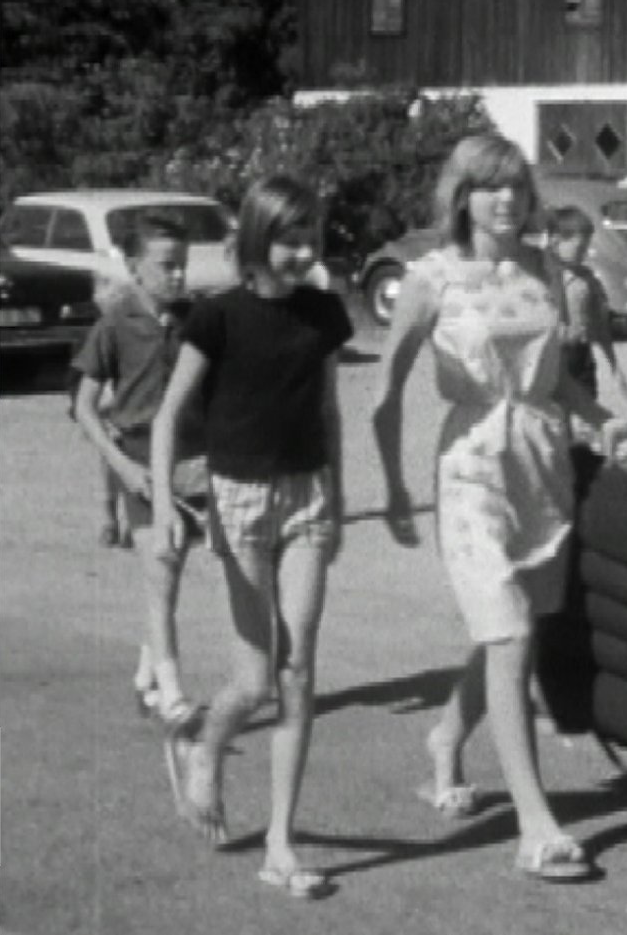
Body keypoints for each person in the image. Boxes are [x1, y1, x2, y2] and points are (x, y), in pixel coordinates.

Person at [374, 134, 616, 883]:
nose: (504, 200)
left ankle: (447, 736)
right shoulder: (429, 277)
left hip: (542, 461)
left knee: (518, 627)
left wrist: (612, 424)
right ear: (462, 197)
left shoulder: (547, 268)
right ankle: (536, 824)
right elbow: (384, 394)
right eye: (488, 187)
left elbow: (562, 384)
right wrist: (391, 489)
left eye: (514, 186)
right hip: (472, 464)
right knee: (508, 629)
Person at [150, 175, 353, 900]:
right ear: (259, 241)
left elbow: (328, 410)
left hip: (309, 497)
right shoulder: (218, 317)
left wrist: (341, 489)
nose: (303, 253)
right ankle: (202, 743)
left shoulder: (326, 314)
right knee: (255, 679)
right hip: (237, 502)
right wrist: (168, 505)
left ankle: (279, 843)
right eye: (291, 239)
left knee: (300, 676)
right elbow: (169, 416)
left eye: (312, 239)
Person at [70, 213, 211, 732]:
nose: (178, 276)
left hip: (197, 462)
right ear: (134, 267)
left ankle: (145, 676)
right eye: (166, 266)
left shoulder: (198, 319)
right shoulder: (114, 324)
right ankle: (172, 692)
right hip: (141, 462)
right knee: (162, 568)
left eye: (184, 265)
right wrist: (123, 469)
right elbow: (85, 407)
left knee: (169, 580)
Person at [545, 204, 627, 405]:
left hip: (580, 355)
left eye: (586, 248)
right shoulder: (540, 277)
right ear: (554, 241)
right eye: (578, 248)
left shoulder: (588, 281)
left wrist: (614, 365)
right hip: (550, 356)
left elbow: (600, 324)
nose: (583, 254)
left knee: (585, 410)